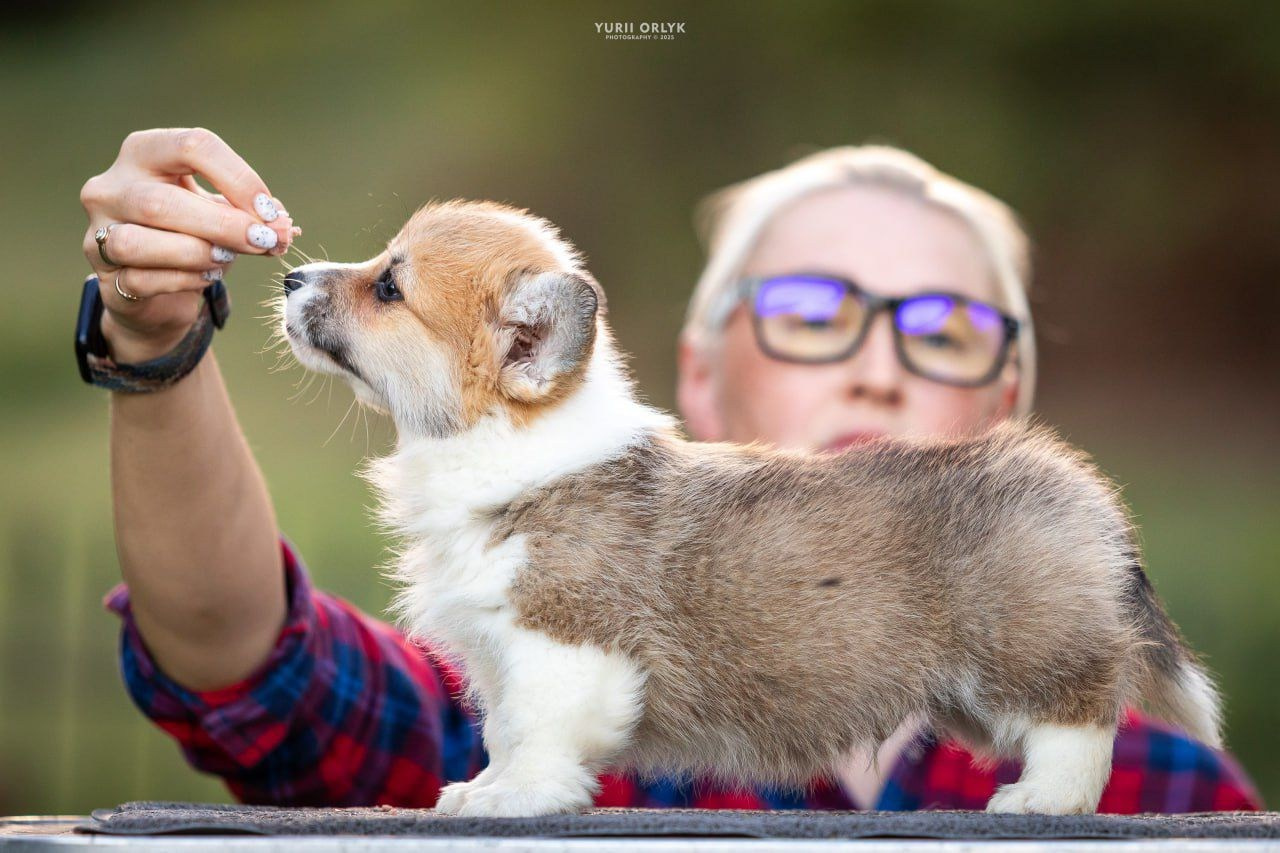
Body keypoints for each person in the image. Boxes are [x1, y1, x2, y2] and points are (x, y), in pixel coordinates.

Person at [81, 129, 1262, 811]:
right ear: (695, 375)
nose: (876, 370)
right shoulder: (453, 719)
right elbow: (248, 667)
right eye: (809, 309)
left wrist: (537, 771)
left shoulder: (1176, 799)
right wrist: (151, 339)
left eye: (944, 327)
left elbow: (563, 672)